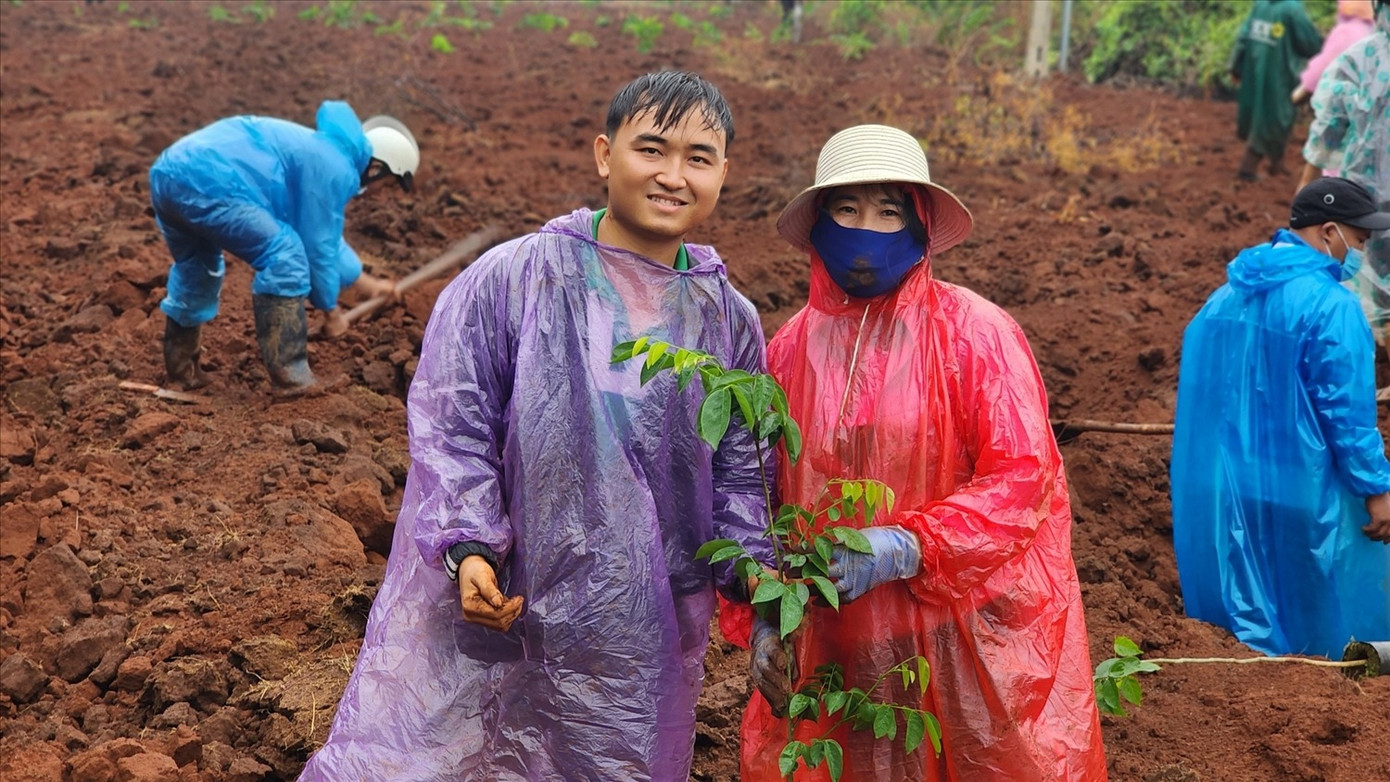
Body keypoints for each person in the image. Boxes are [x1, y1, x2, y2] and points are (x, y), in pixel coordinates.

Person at [299, 71, 772, 781]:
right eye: (653, 149)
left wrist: (759, 580)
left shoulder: (729, 321)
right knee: (458, 750)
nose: (674, 176)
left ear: (724, 174)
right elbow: (453, 423)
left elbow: (740, 471)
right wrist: (471, 548)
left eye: (698, 158)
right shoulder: (513, 278)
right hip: (505, 597)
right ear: (605, 155)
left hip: (639, 626)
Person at [733, 125, 1107, 780]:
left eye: (888, 211)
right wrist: (768, 614)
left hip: (964, 629)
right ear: (819, 222)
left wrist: (908, 545)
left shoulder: (976, 335)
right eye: (847, 209)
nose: (866, 230)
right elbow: (766, 496)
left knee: (970, 755)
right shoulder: (791, 347)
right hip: (839, 634)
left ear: (920, 223)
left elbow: (1022, 480)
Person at [1171, 177, 1390, 660]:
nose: (1359, 253)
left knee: (1243, 585)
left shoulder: (1223, 299)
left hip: (1223, 483)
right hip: (1301, 486)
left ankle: (1238, 659)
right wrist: (1377, 489)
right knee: (1311, 596)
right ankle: (1323, 669)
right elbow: (1347, 414)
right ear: (1329, 232)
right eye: (1358, 240)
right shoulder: (1333, 307)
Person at [150, 101, 417, 391]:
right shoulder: (336, 168)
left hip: (169, 173)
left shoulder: (324, 152)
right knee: (286, 256)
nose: (382, 193)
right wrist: (331, 312)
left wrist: (370, 286)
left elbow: (325, 238)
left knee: (198, 267)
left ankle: (181, 370)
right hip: (214, 182)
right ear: (377, 168)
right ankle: (291, 378)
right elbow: (317, 247)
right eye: (388, 184)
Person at [1301, 0, 1389, 343]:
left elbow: (1327, 132)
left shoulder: (1361, 59)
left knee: (1379, 290)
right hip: (1366, 194)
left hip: (1366, 196)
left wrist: (1304, 188)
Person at [1230, 0, 1323, 181]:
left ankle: (1276, 163)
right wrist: (1326, 49)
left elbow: (1244, 35)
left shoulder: (1261, 4)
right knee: (1276, 117)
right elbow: (1309, 42)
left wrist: (1236, 66)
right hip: (1278, 74)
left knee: (1273, 116)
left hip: (1255, 72)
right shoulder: (1292, 9)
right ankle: (1247, 168)